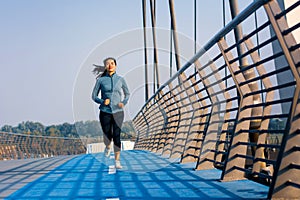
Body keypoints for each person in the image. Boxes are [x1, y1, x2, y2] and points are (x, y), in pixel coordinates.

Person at [92, 57, 130, 169]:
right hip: (105, 111)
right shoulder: (100, 81)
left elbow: (127, 94)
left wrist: (123, 102)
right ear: (105, 66)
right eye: (108, 64)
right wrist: (103, 101)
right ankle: (108, 146)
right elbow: (93, 96)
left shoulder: (121, 79)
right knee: (107, 135)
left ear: (116, 65)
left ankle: (117, 161)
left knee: (117, 135)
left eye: (112, 63)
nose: (110, 65)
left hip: (118, 112)